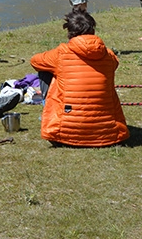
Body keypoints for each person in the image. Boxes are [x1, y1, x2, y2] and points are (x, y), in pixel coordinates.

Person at [29, 9, 129, 147]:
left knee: (45, 70)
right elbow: (115, 64)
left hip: (64, 134)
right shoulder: (109, 55)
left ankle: (52, 115)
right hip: (109, 134)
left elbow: (35, 61)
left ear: (70, 32)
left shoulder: (61, 53)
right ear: (93, 30)